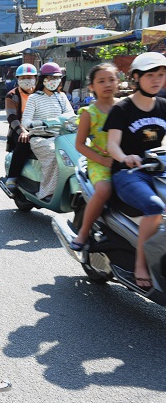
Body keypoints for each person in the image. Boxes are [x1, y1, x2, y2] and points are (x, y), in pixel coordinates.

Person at [103, 52, 166, 288]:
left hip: (157, 169)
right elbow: (112, 146)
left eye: (161, 74)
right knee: (155, 207)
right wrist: (125, 157)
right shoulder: (122, 109)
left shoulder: (163, 106)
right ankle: (141, 263)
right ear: (136, 77)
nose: (157, 80)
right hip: (127, 173)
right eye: (151, 75)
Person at [69, 63, 120, 251]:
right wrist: (104, 161)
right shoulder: (88, 114)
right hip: (99, 162)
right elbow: (80, 145)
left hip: (125, 160)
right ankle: (83, 233)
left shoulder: (125, 107)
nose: (107, 84)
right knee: (104, 190)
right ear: (91, 86)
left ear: (118, 82)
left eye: (111, 80)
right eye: (101, 81)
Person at [21, 62, 75, 200]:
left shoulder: (61, 97)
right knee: (54, 155)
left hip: (60, 137)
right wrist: (39, 123)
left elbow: (71, 114)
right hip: (40, 138)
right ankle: (46, 192)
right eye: (50, 78)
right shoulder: (34, 98)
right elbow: (25, 121)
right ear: (43, 79)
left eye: (56, 78)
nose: (53, 81)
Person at [4, 63, 38, 190]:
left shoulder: (39, 94)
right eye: (23, 78)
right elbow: (11, 117)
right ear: (17, 79)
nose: (26, 80)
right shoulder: (12, 95)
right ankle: (12, 177)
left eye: (29, 77)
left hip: (40, 129)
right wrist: (22, 131)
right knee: (25, 142)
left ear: (35, 78)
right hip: (18, 130)